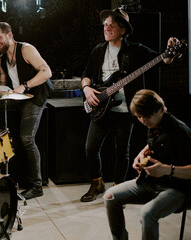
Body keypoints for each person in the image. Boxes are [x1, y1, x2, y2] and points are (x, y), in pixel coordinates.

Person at [80, 8, 179, 202]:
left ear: (123, 30)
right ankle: (97, 183)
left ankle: (117, 189)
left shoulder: (136, 50)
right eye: (105, 24)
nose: (107, 28)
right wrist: (87, 89)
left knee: (122, 152)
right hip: (101, 108)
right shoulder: (98, 50)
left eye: (112, 25)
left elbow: (162, 60)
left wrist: (170, 52)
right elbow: (86, 74)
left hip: (125, 110)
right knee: (90, 148)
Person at [0, 22, 53, 200]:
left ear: (9, 36)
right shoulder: (2, 59)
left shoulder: (26, 49)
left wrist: (24, 86)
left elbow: (46, 72)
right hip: (17, 97)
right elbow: (4, 85)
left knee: (27, 138)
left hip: (35, 96)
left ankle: (37, 185)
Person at [104, 89, 191, 240]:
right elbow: (155, 143)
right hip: (151, 183)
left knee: (147, 213)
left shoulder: (181, 131)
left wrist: (167, 170)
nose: (143, 121)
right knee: (110, 196)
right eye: (139, 117)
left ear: (160, 109)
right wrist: (141, 155)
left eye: (146, 116)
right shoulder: (154, 124)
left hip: (177, 189)